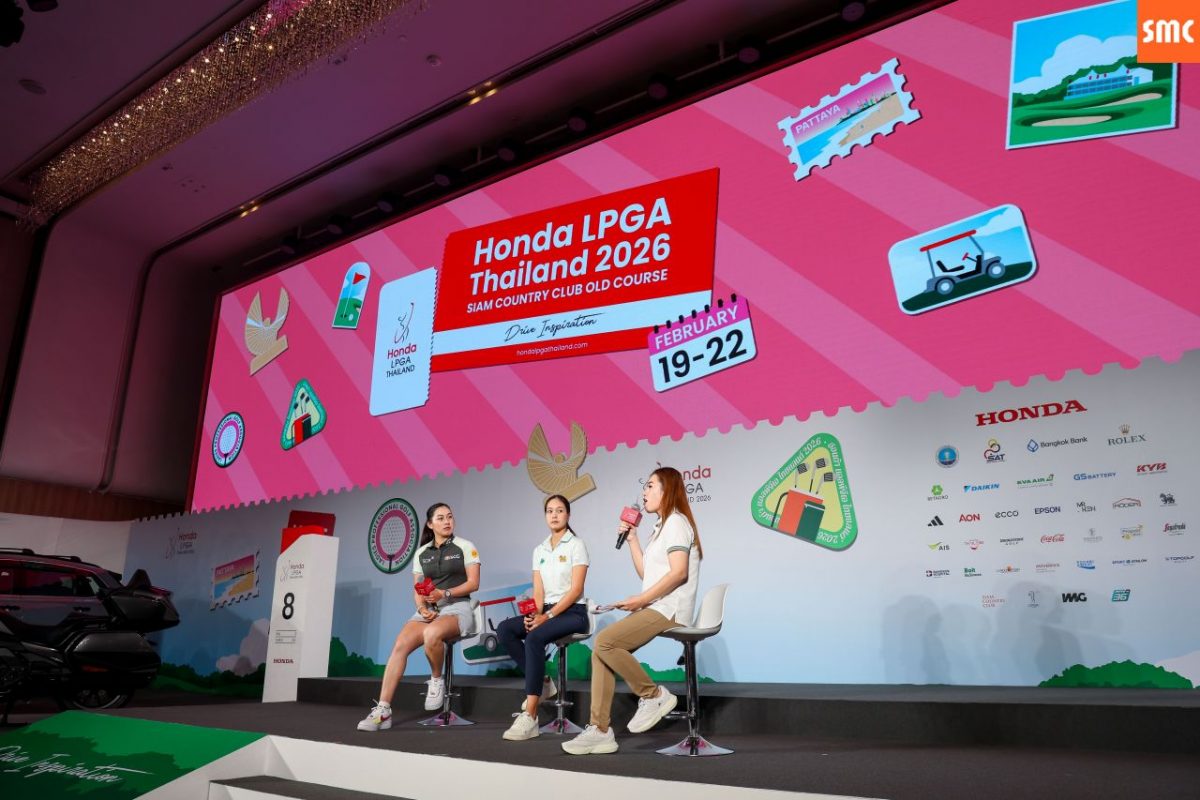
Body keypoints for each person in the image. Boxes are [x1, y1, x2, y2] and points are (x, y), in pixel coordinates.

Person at [562, 467, 703, 755]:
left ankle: (653, 695)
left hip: (671, 608)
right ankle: (600, 730)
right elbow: (646, 573)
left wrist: (641, 600)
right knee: (601, 651)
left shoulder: (676, 522)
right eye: (645, 486)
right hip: (657, 604)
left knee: (605, 641)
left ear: (667, 490)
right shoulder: (661, 526)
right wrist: (633, 539)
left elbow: (679, 573)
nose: (644, 492)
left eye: (650, 486)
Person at [357, 503, 481, 731]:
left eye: (450, 517)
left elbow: (474, 583)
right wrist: (422, 607)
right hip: (430, 609)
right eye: (441, 518)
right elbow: (418, 589)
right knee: (400, 645)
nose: (447, 521)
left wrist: (444, 593)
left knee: (432, 634)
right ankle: (383, 710)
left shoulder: (466, 546)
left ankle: (436, 680)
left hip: (457, 607)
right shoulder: (421, 553)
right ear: (430, 524)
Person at [497, 494, 590, 741]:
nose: (554, 515)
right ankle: (544, 682)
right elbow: (538, 592)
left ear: (568, 515)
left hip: (573, 612)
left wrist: (546, 616)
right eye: (550, 511)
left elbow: (576, 590)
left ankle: (530, 715)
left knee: (535, 637)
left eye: (559, 510)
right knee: (505, 629)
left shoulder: (576, 545)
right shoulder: (539, 549)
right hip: (546, 611)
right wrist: (534, 615)